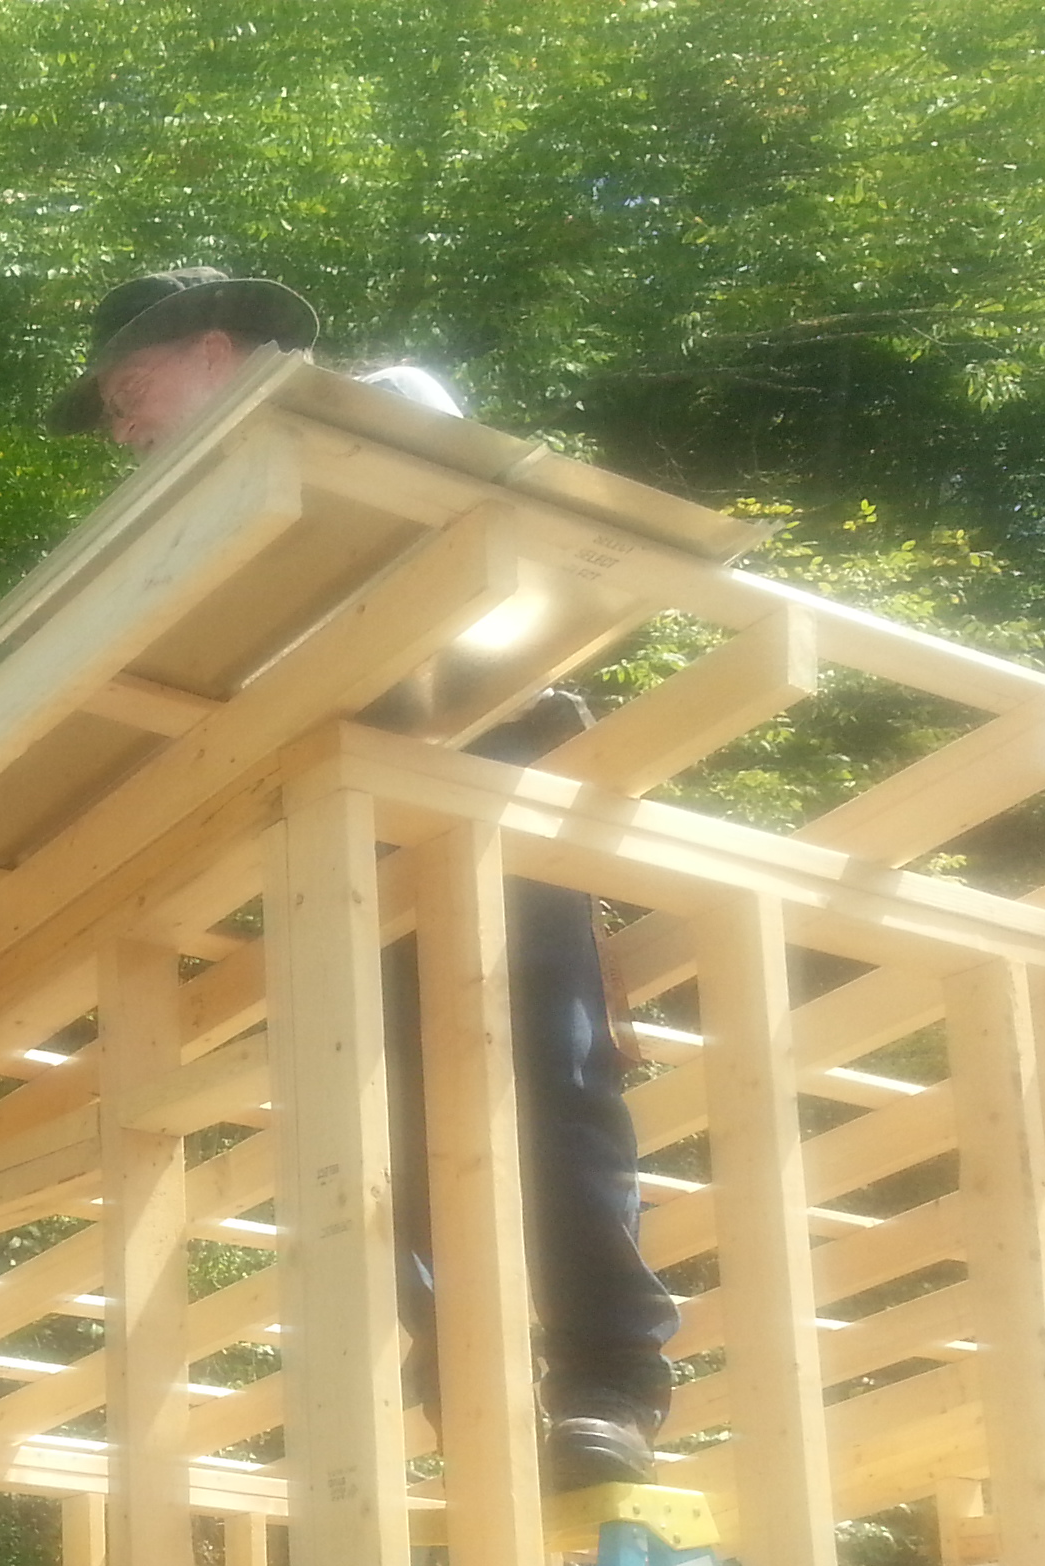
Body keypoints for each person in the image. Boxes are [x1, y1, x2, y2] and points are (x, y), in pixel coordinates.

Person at [49, 268, 678, 1487]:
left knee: (546, 1073)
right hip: (340, 825)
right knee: (387, 1116)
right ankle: (474, 1392)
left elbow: (433, 539)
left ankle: (607, 1381)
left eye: (129, 395)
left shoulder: (380, 402)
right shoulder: (192, 527)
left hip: (481, 768)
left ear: (215, 351)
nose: (123, 432)